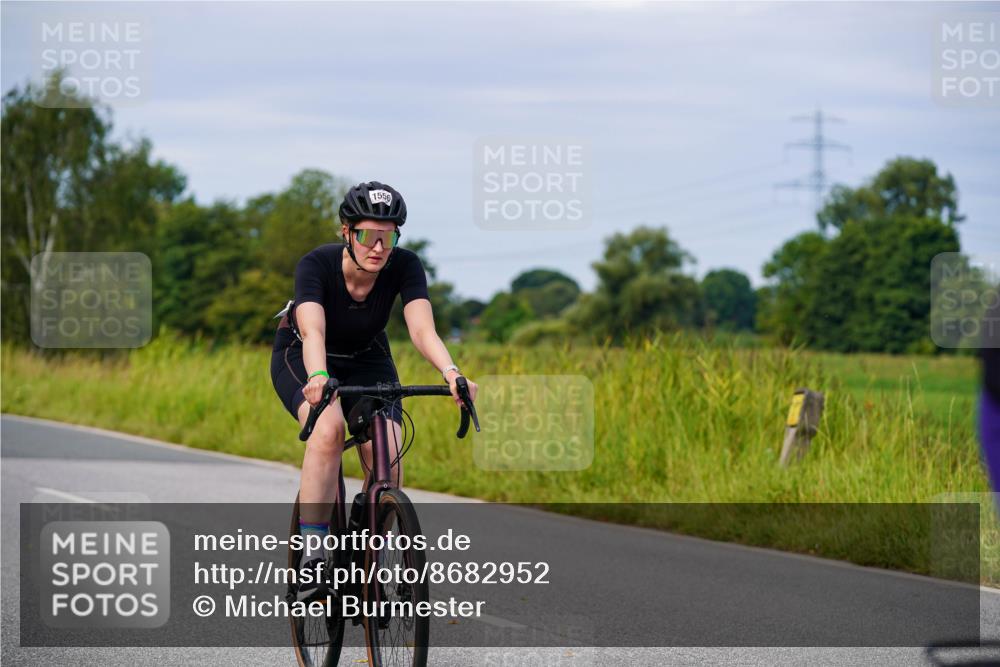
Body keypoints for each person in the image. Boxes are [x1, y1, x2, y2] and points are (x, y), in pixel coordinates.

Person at [269, 181, 478, 600]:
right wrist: (318, 377)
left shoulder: (405, 265)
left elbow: (422, 329)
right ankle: (313, 556)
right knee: (327, 431)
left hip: (368, 354)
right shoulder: (316, 264)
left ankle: (370, 557)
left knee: (388, 451)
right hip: (305, 354)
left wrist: (452, 372)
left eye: (389, 236)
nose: (378, 247)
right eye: (368, 235)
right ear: (347, 232)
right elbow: (313, 330)